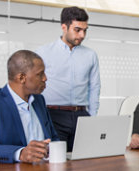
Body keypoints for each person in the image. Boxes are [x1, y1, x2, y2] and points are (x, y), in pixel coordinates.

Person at [0, 50, 59, 163]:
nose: (45, 78)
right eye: (40, 74)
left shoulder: (39, 100)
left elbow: (53, 138)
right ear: (21, 78)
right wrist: (20, 153)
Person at [35, 6, 100, 152]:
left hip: (82, 116)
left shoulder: (91, 55)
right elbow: (34, 87)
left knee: (84, 161)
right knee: (56, 161)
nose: (82, 35)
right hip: (53, 116)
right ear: (64, 27)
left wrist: (92, 116)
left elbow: (94, 87)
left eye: (85, 30)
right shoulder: (43, 53)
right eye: (77, 30)